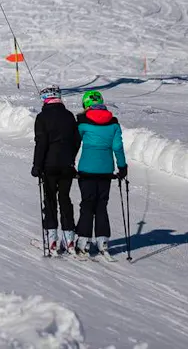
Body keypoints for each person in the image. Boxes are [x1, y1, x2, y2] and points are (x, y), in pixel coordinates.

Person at [75, 90, 128, 258]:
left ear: (85, 105)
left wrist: (69, 162)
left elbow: (74, 144)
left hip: (86, 170)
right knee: (101, 205)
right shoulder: (113, 123)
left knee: (87, 204)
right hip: (106, 170)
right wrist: (122, 167)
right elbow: (118, 147)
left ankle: (83, 241)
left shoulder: (82, 122)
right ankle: (103, 241)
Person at [31, 85, 81, 255]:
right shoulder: (69, 116)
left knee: (50, 201)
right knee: (65, 200)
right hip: (67, 166)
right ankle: (69, 239)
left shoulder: (42, 117)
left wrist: (37, 165)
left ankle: (52, 239)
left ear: (45, 99)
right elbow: (76, 141)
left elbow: (41, 143)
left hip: (49, 166)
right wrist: (70, 157)